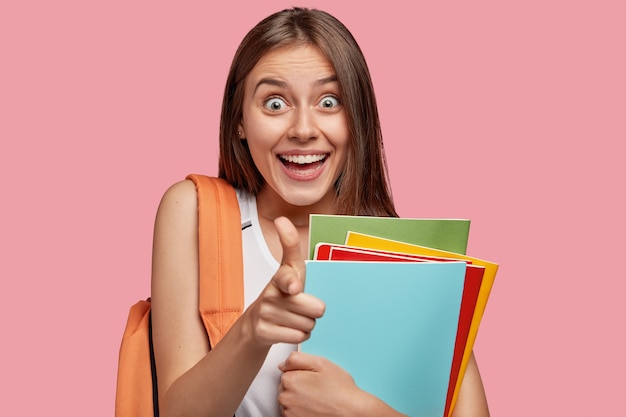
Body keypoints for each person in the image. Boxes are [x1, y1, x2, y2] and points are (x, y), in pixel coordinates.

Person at [150, 6, 489, 417]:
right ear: (239, 120)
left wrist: (358, 410)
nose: (303, 128)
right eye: (274, 103)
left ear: (356, 119)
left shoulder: (405, 252)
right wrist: (253, 330)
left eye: (329, 101)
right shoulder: (195, 212)